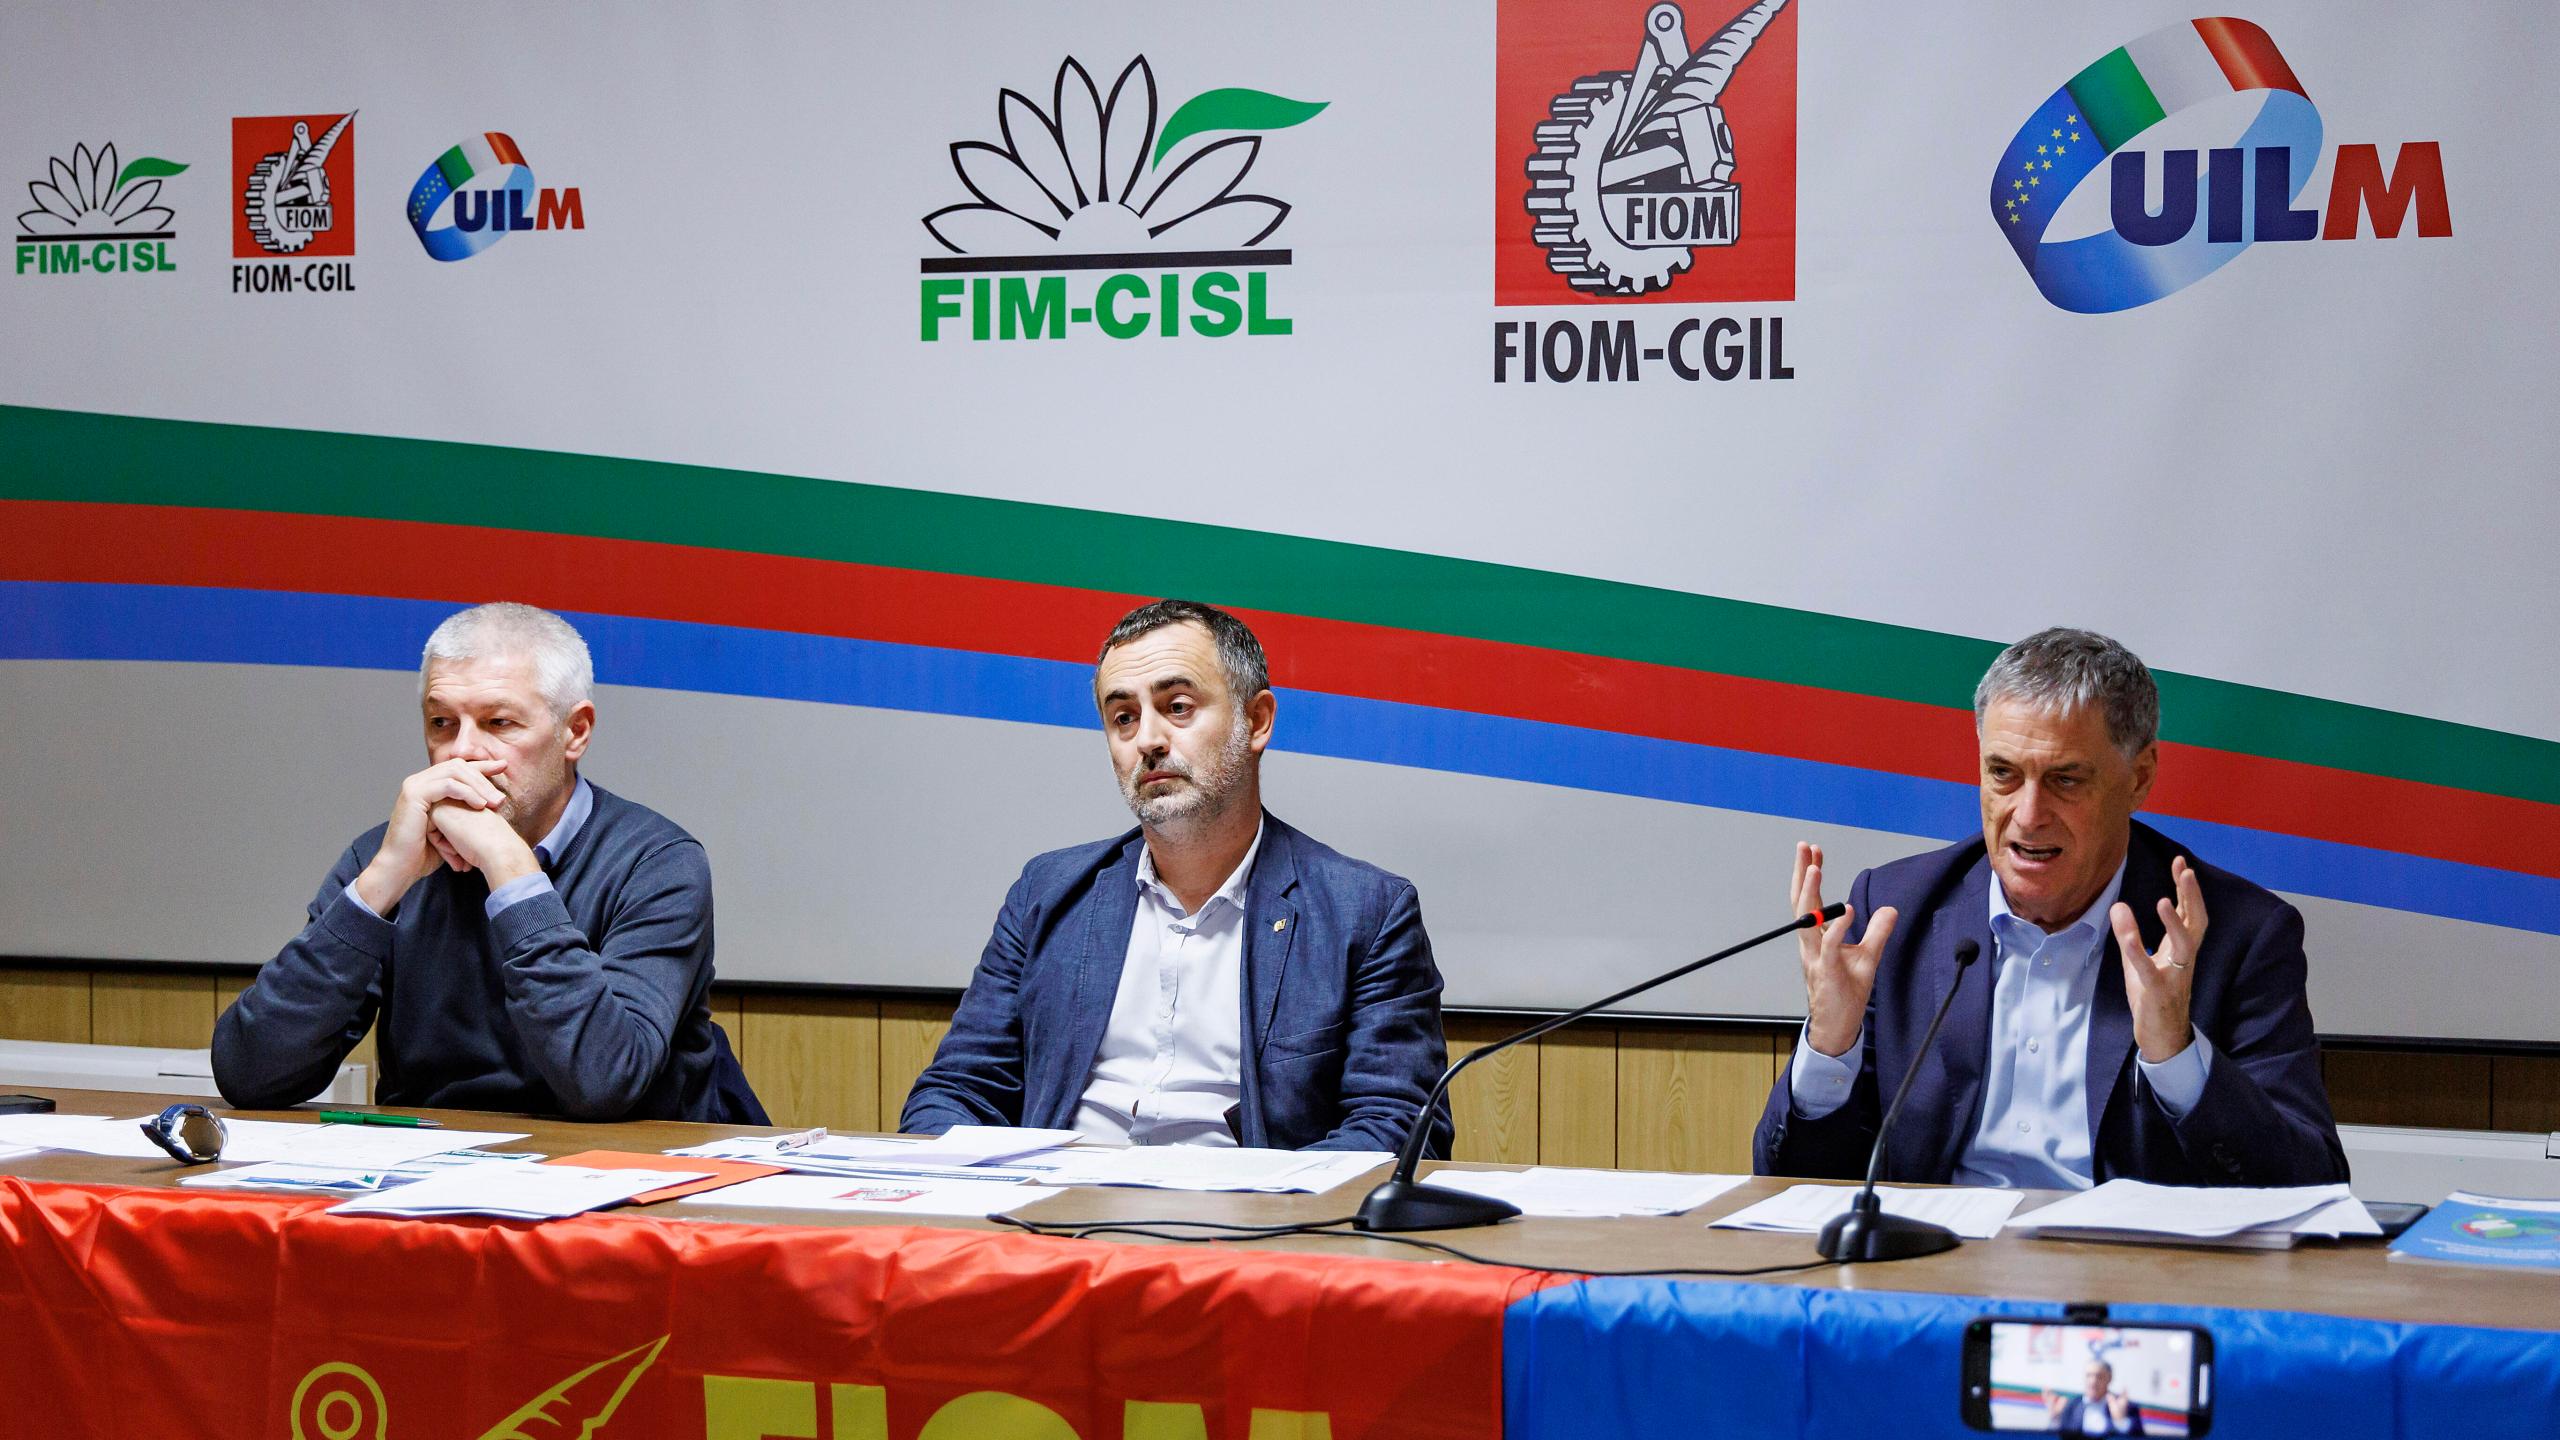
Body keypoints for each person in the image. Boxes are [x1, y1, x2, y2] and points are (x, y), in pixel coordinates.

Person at [1752, 626, 2345, 1187]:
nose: (2029, 815)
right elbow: (1792, 1180)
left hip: (2126, 1279)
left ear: (2139, 778)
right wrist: (1830, 1043)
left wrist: (2176, 1054)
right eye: (2003, 774)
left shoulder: (2238, 935)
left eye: (2065, 780)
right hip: (1939, 1273)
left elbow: (2309, 1184)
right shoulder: (1894, 913)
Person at [902, 599, 1451, 1154]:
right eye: (1124, 718)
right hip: (1060, 1218)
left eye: (1179, 707)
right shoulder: (1048, 893)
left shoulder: (1365, 913)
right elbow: (955, 1093)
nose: (1148, 740)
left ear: (1256, 721)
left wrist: (1255, 1209)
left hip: (1243, 1225)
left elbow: (1397, 1126)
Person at [213, 602, 762, 1123]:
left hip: (620, 1183)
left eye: (498, 723)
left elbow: (605, 1081)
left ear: (576, 732)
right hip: (435, 1181)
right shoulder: (388, 857)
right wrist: (381, 882)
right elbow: (251, 1075)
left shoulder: (657, 863)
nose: (461, 753)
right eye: (441, 723)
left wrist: (511, 870)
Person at [2046, 1360, 2145, 1435]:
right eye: (2089, 1376)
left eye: (2099, 1376)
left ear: (2109, 1378)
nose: (2093, 1381)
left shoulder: (2126, 1407)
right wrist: (2054, 1419)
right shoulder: (2071, 1406)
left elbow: (2139, 1436)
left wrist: (2120, 1421)